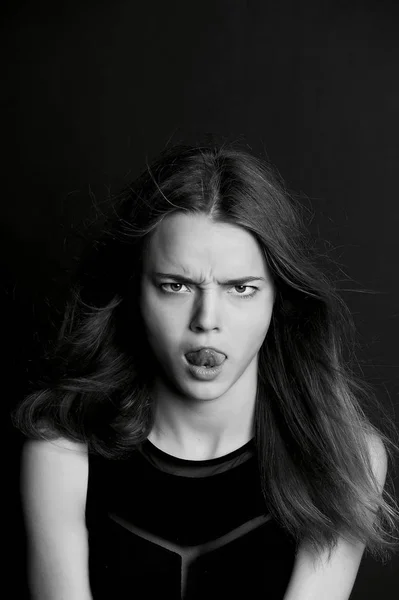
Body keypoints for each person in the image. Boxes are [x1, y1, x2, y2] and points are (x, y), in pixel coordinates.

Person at [13, 142, 399, 599]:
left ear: (279, 297)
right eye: (175, 285)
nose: (207, 319)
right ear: (134, 290)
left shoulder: (342, 456)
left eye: (241, 288)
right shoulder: (62, 454)